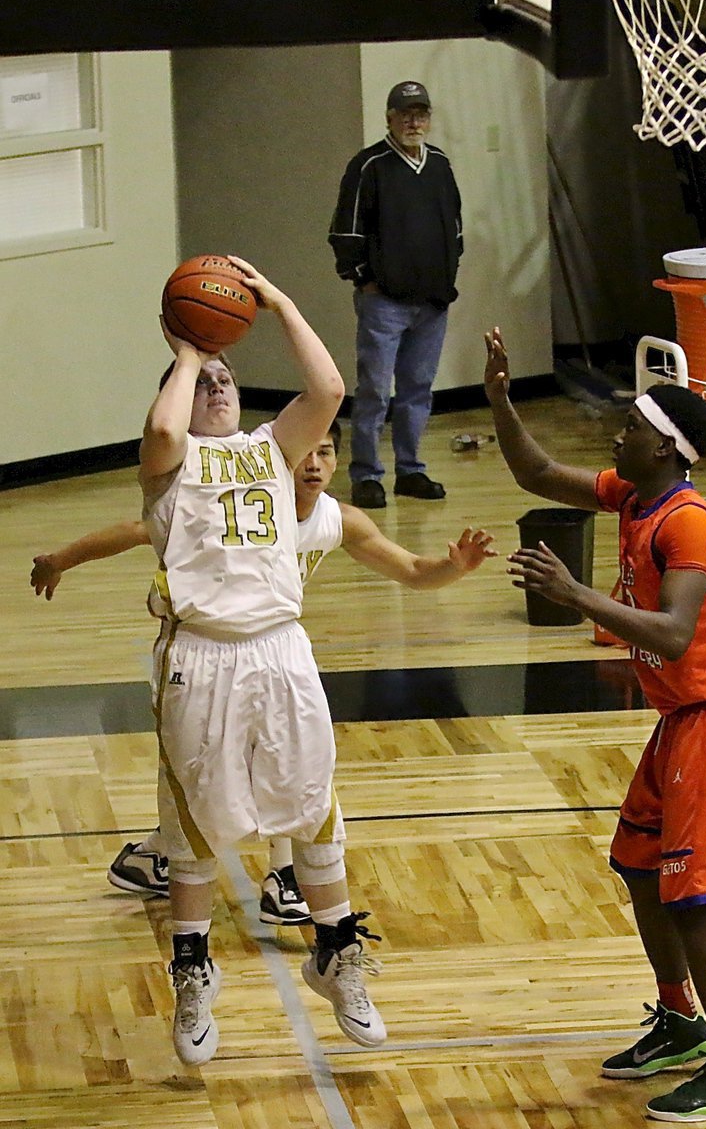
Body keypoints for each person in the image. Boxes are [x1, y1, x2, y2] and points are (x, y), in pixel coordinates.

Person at [484, 327, 706, 1123]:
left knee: (690, 892)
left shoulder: (688, 523)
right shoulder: (633, 494)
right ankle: (680, 1020)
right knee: (637, 863)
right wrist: (500, 401)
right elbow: (538, 471)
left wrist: (576, 594)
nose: (619, 434)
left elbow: (676, 633)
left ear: (670, 448)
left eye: (635, 428)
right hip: (684, 716)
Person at [31, 423, 495, 926]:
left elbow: (412, 570)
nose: (314, 464)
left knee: (288, 759)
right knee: (212, 777)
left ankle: (280, 875)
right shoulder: (225, 504)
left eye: (326, 453)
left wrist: (457, 568)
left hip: (268, 650)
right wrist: (59, 560)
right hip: (199, 648)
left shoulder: (339, 519)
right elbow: (135, 530)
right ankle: (158, 853)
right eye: (305, 453)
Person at [133, 256, 391, 1067]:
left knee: (310, 802)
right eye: (204, 379)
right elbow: (167, 429)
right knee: (199, 822)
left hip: (282, 651)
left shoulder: (274, 449)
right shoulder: (169, 465)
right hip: (202, 658)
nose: (218, 384)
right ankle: (191, 968)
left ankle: (337, 953)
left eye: (227, 377)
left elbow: (329, 391)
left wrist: (275, 302)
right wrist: (188, 351)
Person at [329, 80, 463, 510]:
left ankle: (411, 470)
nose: (413, 121)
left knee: (417, 390)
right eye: (405, 113)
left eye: (420, 113)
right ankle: (366, 475)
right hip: (383, 303)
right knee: (374, 390)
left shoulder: (440, 165)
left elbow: (455, 229)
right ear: (389, 117)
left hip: (432, 303)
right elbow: (345, 233)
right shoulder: (369, 166)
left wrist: (446, 275)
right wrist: (363, 278)